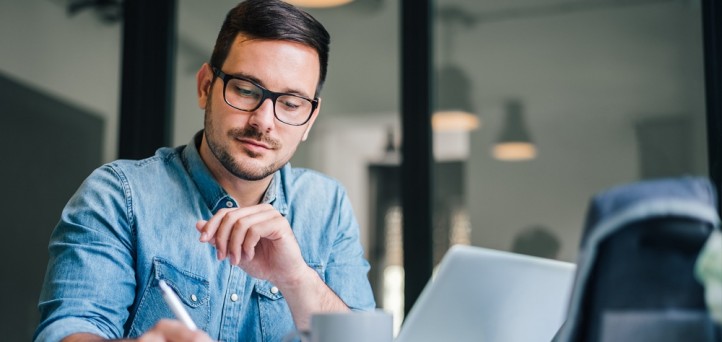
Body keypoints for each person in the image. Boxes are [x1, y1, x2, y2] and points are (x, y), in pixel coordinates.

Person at [33, 1, 375, 341]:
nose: (263, 122)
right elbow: (71, 328)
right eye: (244, 90)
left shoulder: (326, 206)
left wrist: (297, 278)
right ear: (205, 87)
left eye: (290, 103)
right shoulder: (118, 195)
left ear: (309, 120)